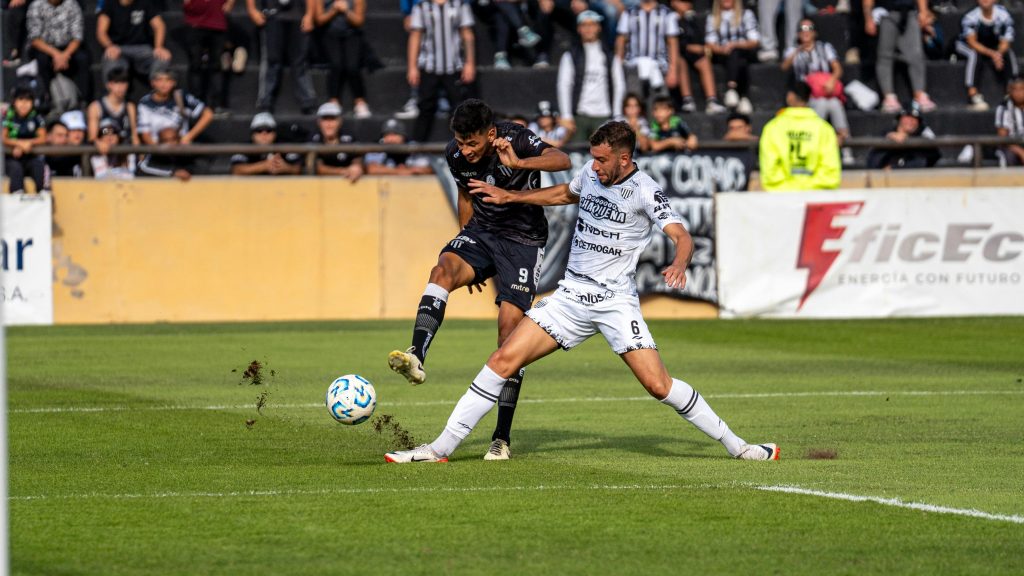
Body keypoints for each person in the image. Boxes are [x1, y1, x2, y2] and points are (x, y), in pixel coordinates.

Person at [384, 120, 779, 464]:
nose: (594, 165)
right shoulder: (590, 175)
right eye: (592, 157)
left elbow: (681, 234)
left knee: (659, 385)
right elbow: (563, 194)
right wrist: (513, 196)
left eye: (602, 159)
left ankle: (738, 446)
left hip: (615, 303)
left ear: (624, 158)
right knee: (503, 360)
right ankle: (438, 448)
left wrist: (679, 262)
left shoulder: (645, 190)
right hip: (571, 297)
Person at [386, 98, 571, 461]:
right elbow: (465, 194)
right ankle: (417, 354)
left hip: (522, 243)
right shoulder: (455, 154)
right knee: (442, 270)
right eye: (460, 141)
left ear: (490, 134)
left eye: (472, 143)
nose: (465, 150)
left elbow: (562, 160)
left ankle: (501, 438)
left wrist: (519, 163)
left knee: (508, 336)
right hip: (482, 233)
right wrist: (466, 249)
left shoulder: (516, 139)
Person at [781, 18, 852, 163]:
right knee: (821, 104)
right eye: (802, 29)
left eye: (809, 29)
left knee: (834, 104)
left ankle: (846, 148)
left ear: (815, 32)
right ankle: (815, 145)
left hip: (826, 90)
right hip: (806, 95)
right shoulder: (792, 49)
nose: (805, 32)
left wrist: (832, 81)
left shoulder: (824, 47)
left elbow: (837, 68)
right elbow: (784, 67)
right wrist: (798, 50)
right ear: (798, 33)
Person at [407, 0, 478, 144]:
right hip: (429, 65)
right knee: (425, 106)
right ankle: (417, 146)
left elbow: (467, 34)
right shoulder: (421, 7)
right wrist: (412, 66)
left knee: (459, 108)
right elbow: (415, 36)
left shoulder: (460, 5)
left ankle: (463, 145)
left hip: (454, 65)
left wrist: (469, 63)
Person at [758, 82, 841, 191]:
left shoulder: (772, 127)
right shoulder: (824, 128)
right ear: (810, 97)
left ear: (789, 97)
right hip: (816, 197)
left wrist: (789, 188)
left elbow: (770, 171)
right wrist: (809, 187)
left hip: (781, 197)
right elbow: (830, 172)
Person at [559, 9, 626, 143]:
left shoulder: (609, 55)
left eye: (592, 24)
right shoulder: (571, 55)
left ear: (598, 27)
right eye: (584, 25)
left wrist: (617, 114)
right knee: (577, 156)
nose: (589, 29)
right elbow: (564, 85)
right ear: (579, 29)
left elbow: (619, 84)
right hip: (580, 115)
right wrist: (566, 115)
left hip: (604, 116)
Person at [864, 0, 936, 112]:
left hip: (909, 11)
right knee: (885, 55)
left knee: (916, 55)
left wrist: (923, 10)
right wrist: (868, 17)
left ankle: (919, 94)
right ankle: (889, 96)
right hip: (885, 12)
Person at [247, 0, 317, 114]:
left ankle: (307, 100)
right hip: (272, 15)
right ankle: (265, 100)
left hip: (297, 16)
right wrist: (252, 10)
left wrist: (309, 15)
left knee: (300, 61)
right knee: (271, 60)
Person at [955, 0, 1018, 112]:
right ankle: (973, 94)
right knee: (974, 55)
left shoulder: (1004, 16)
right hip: (966, 46)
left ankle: (1011, 91)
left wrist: (998, 54)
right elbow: (972, 42)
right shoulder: (971, 17)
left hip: (992, 47)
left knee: (1009, 53)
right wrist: (993, 54)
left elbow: (1006, 42)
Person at [312, 0, 372, 118]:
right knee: (336, 64)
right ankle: (334, 100)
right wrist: (333, 10)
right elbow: (319, 19)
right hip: (329, 34)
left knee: (352, 66)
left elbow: (359, 21)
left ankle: (360, 101)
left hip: (352, 34)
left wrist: (346, 11)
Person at [26, 0, 92, 105]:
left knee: (82, 58)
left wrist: (65, 55)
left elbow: (77, 37)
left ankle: (85, 100)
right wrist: (56, 54)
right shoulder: (36, 5)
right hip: (44, 47)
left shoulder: (72, 4)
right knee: (42, 60)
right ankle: (46, 98)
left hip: (67, 47)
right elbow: (34, 39)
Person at [96, 0, 172, 84]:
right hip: (118, 48)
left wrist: (159, 47)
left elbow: (159, 26)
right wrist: (109, 46)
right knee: (110, 60)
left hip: (142, 48)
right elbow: (101, 32)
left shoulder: (145, 2)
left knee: (163, 58)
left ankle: (157, 95)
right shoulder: (109, 4)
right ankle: (113, 96)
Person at [616, 0, 679, 100]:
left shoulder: (667, 14)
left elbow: (672, 42)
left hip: (659, 67)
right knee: (634, 104)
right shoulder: (629, 13)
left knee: (661, 106)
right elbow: (621, 39)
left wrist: (673, 70)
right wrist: (618, 66)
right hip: (633, 67)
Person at [705, 0, 759, 114]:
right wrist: (722, 49)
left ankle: (731, 88)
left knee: (738, 55)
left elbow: (754, 40)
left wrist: (735, 44)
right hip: (722, 54)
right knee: (738, 58)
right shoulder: (712, 17)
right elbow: (710, 42)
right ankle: (744, 97)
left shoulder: (746, 14)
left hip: (744, 51)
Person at [671, 0, 725, 113]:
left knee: (704, 60)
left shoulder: (691, 19)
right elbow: (672, 43)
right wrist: (689, 47)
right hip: (675, 53)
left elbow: (698, 38)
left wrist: (701, 48)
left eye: (688, 2)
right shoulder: (670, 19)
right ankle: (687, 99)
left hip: (691, 52)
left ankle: (712, 100)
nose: (687, 4)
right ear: (673, 3)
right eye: (683, 2)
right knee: (680, 61)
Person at [137, 68, 215, 146]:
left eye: (168, 80)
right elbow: (145, 134)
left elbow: (208, 114)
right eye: (159, 80)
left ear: (174, 83)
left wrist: (188, 136)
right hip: (156, 149)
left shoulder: (181, 97)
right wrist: (158, 151)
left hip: (180, 149)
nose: (164, 84)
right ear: (152, 82)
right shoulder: (145, 103)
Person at [183, 0, 232, 114]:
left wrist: (230, 2)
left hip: (217, 20)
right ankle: (195, 103)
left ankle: (217, 103)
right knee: (195, 64)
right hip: (195, 20)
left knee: (216, 65)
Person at [3, 86, 49, 194]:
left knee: (38, 166)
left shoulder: (36, 117)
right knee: (15, 168)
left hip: (30, 156)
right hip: (11, 157)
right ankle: (17, 197)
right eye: (20, 100)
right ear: (14, 102)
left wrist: (29, 143)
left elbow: (43, 137)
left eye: (28, 100)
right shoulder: (8, 116)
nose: (24, 104)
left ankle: (42, 195)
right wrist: (19, 144)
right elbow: (3, 137)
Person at [230, 112, 303, 175]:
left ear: (275, 133)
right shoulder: (244, 147)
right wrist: (264, 166)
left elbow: (297, 168)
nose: (264, 134)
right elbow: (236, 170)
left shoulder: (284, 145)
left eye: (268, 130)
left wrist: (286, 168)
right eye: (259, 130)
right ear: (252, 134)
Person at [866, 107, 940, 169]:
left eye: (915, 119)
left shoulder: (923, 135)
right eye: (907, 117)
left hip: (912, 180)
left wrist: (908, 139)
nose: (911, 121)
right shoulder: (886, 135)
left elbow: (933, 156)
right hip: (885, 181)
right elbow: (873, 163)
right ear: (899, 119)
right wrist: (890, 139)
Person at [310, 101, 363, 181]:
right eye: (325, 119)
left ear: (339, 121)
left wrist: (356, 167)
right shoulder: (314, 139)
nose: (328, 124)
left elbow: (357, 160)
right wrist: (343, 171)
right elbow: (318, 168)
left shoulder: (349, 138)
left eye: (332, 119)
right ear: (319, 122)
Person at [86, 68, 139, 146]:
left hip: (125, 153)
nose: (121, 87)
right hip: (104, 153)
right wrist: (101, 141)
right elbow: (92, 138)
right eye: (116, 82)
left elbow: (135, 136)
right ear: (108, 85)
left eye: (123, 83)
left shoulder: (130, 107)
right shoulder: (95, 107)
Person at [365, 118, 434, 175]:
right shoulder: (378, 146)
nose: (390, 139)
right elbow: (372, 169)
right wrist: (403, 171)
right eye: (387, 135)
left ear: (403, 136)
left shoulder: (413, 147)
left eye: (395, 134)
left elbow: (427, 169)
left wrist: (388, 170)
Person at [995, 77, 1024, 166]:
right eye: (1015, 90)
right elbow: (1003, 138)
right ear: (1010, 92)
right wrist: (1020, 151)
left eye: (1022, 89)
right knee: (1009, 156)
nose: (1018, 93)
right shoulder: (1003, 109)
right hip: (1010, 146)